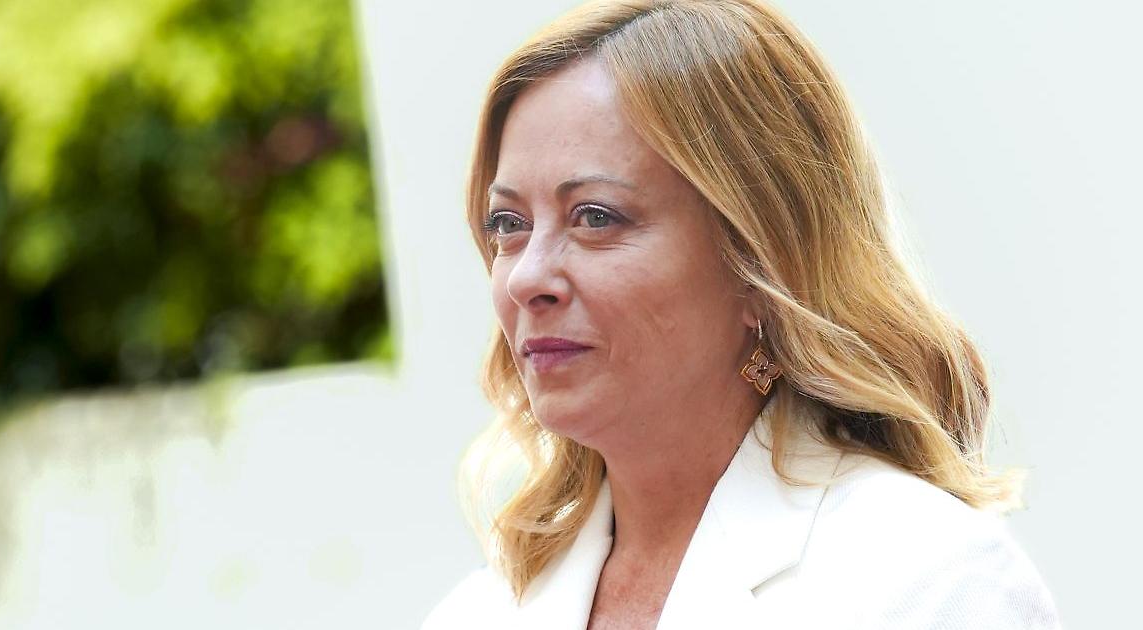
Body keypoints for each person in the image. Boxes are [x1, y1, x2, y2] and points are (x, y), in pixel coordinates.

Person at [424, 1, 1062, 628]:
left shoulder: (932, 579)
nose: (526, 278)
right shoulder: (476, 613)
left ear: (764, 263)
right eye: (508, 224)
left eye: (595, 217)